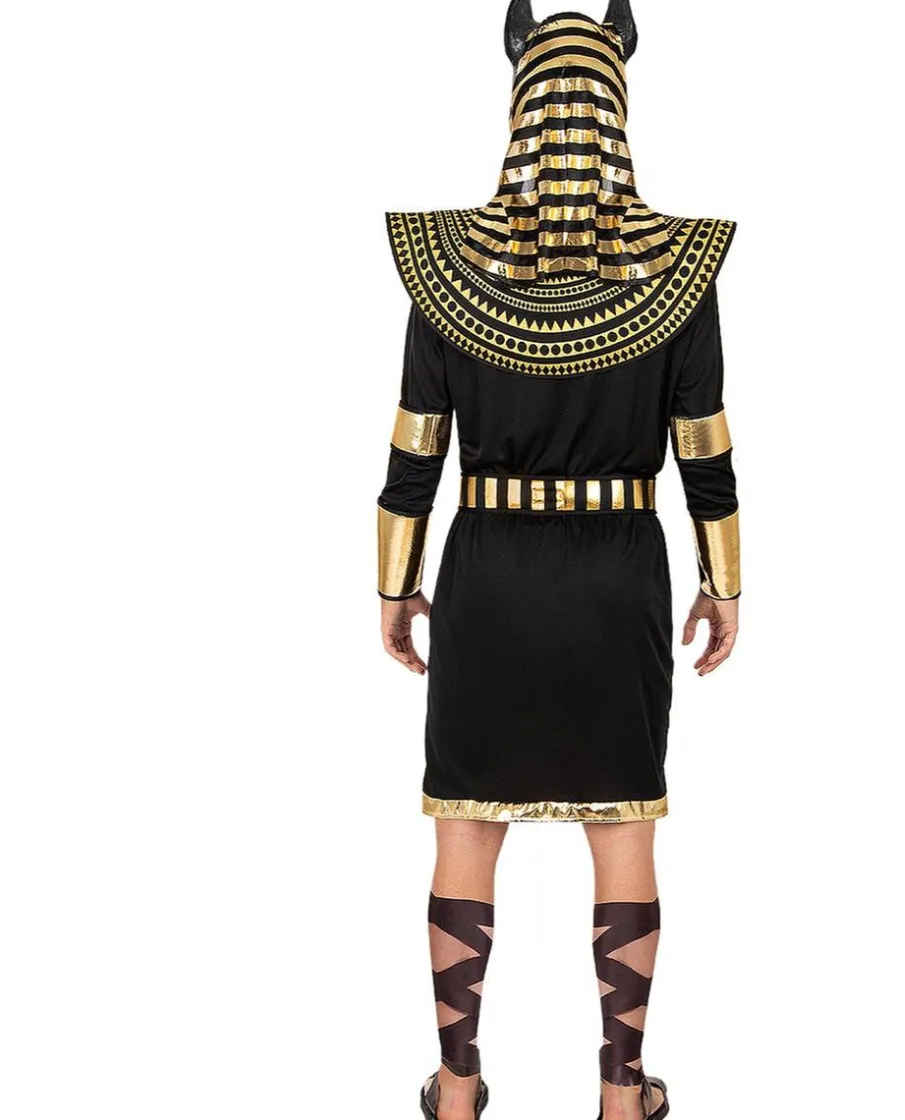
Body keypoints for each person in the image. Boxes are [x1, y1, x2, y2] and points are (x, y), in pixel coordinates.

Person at [376, 4, 740, 1117]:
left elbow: (414, 449)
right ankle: (623, 1095)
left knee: (464, 824)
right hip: (619, 576)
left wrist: (395, 585)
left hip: (486, 574)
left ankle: (456, 1088)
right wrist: (724, 581)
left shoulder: (446, 269)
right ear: (616, 113)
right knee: (623, 825)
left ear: (520, 112)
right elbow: (705, 447)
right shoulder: (678, 272)